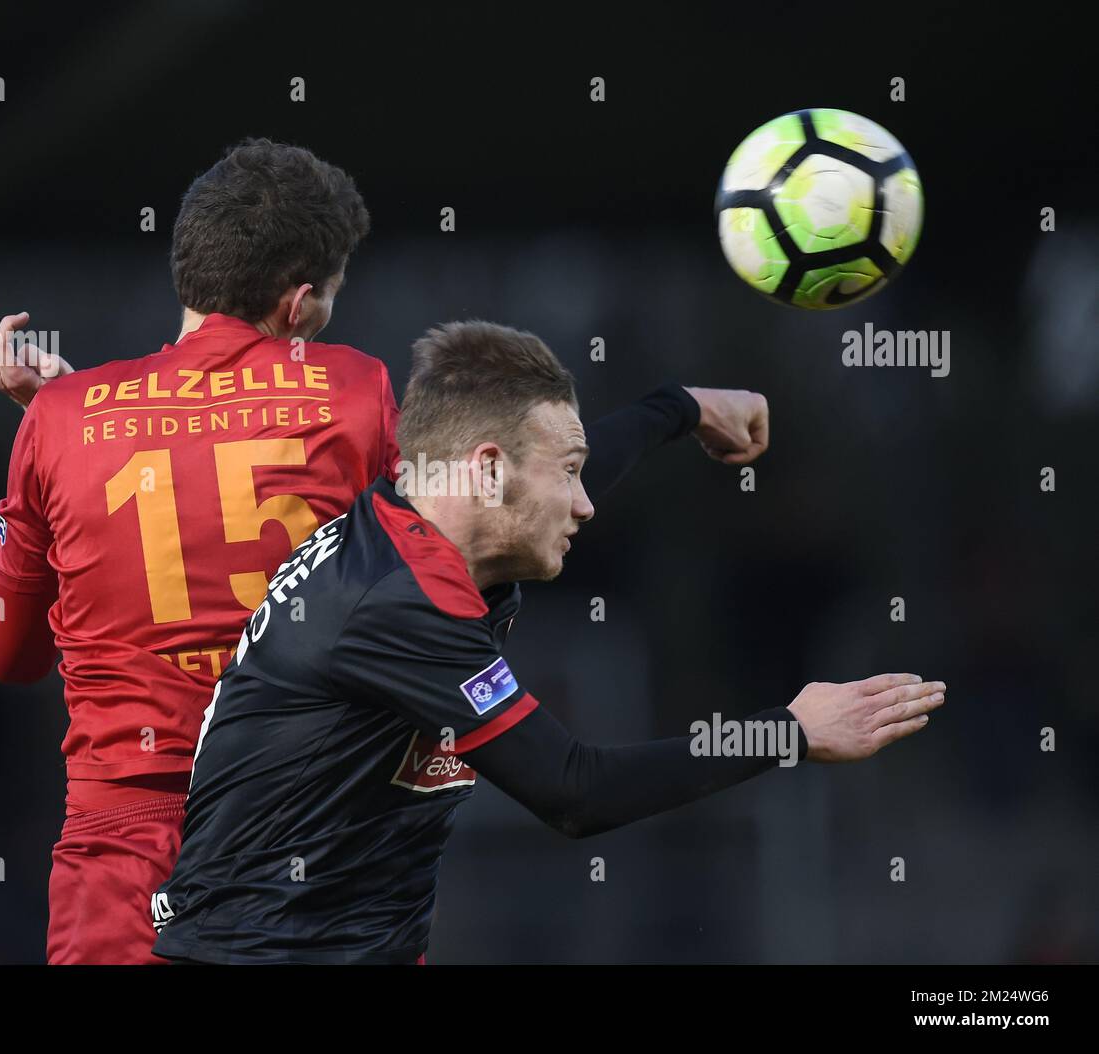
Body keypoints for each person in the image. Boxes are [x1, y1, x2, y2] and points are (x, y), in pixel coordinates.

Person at [0, 140, 774, 964]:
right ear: (301, 303)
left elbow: (9, 650)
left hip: (124, 856)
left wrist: (58, 436)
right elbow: (506, 502)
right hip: (308, 856)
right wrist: (676, 409)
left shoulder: (63, 420)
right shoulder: (350, 393)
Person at [151, 321, 945, 965]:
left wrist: (681, 408)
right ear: (489, 473)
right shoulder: (396, 605)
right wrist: (791, 732)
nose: (586, 504)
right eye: (570, 474)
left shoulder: (419, 510)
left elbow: (560, 465)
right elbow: (574, 791)